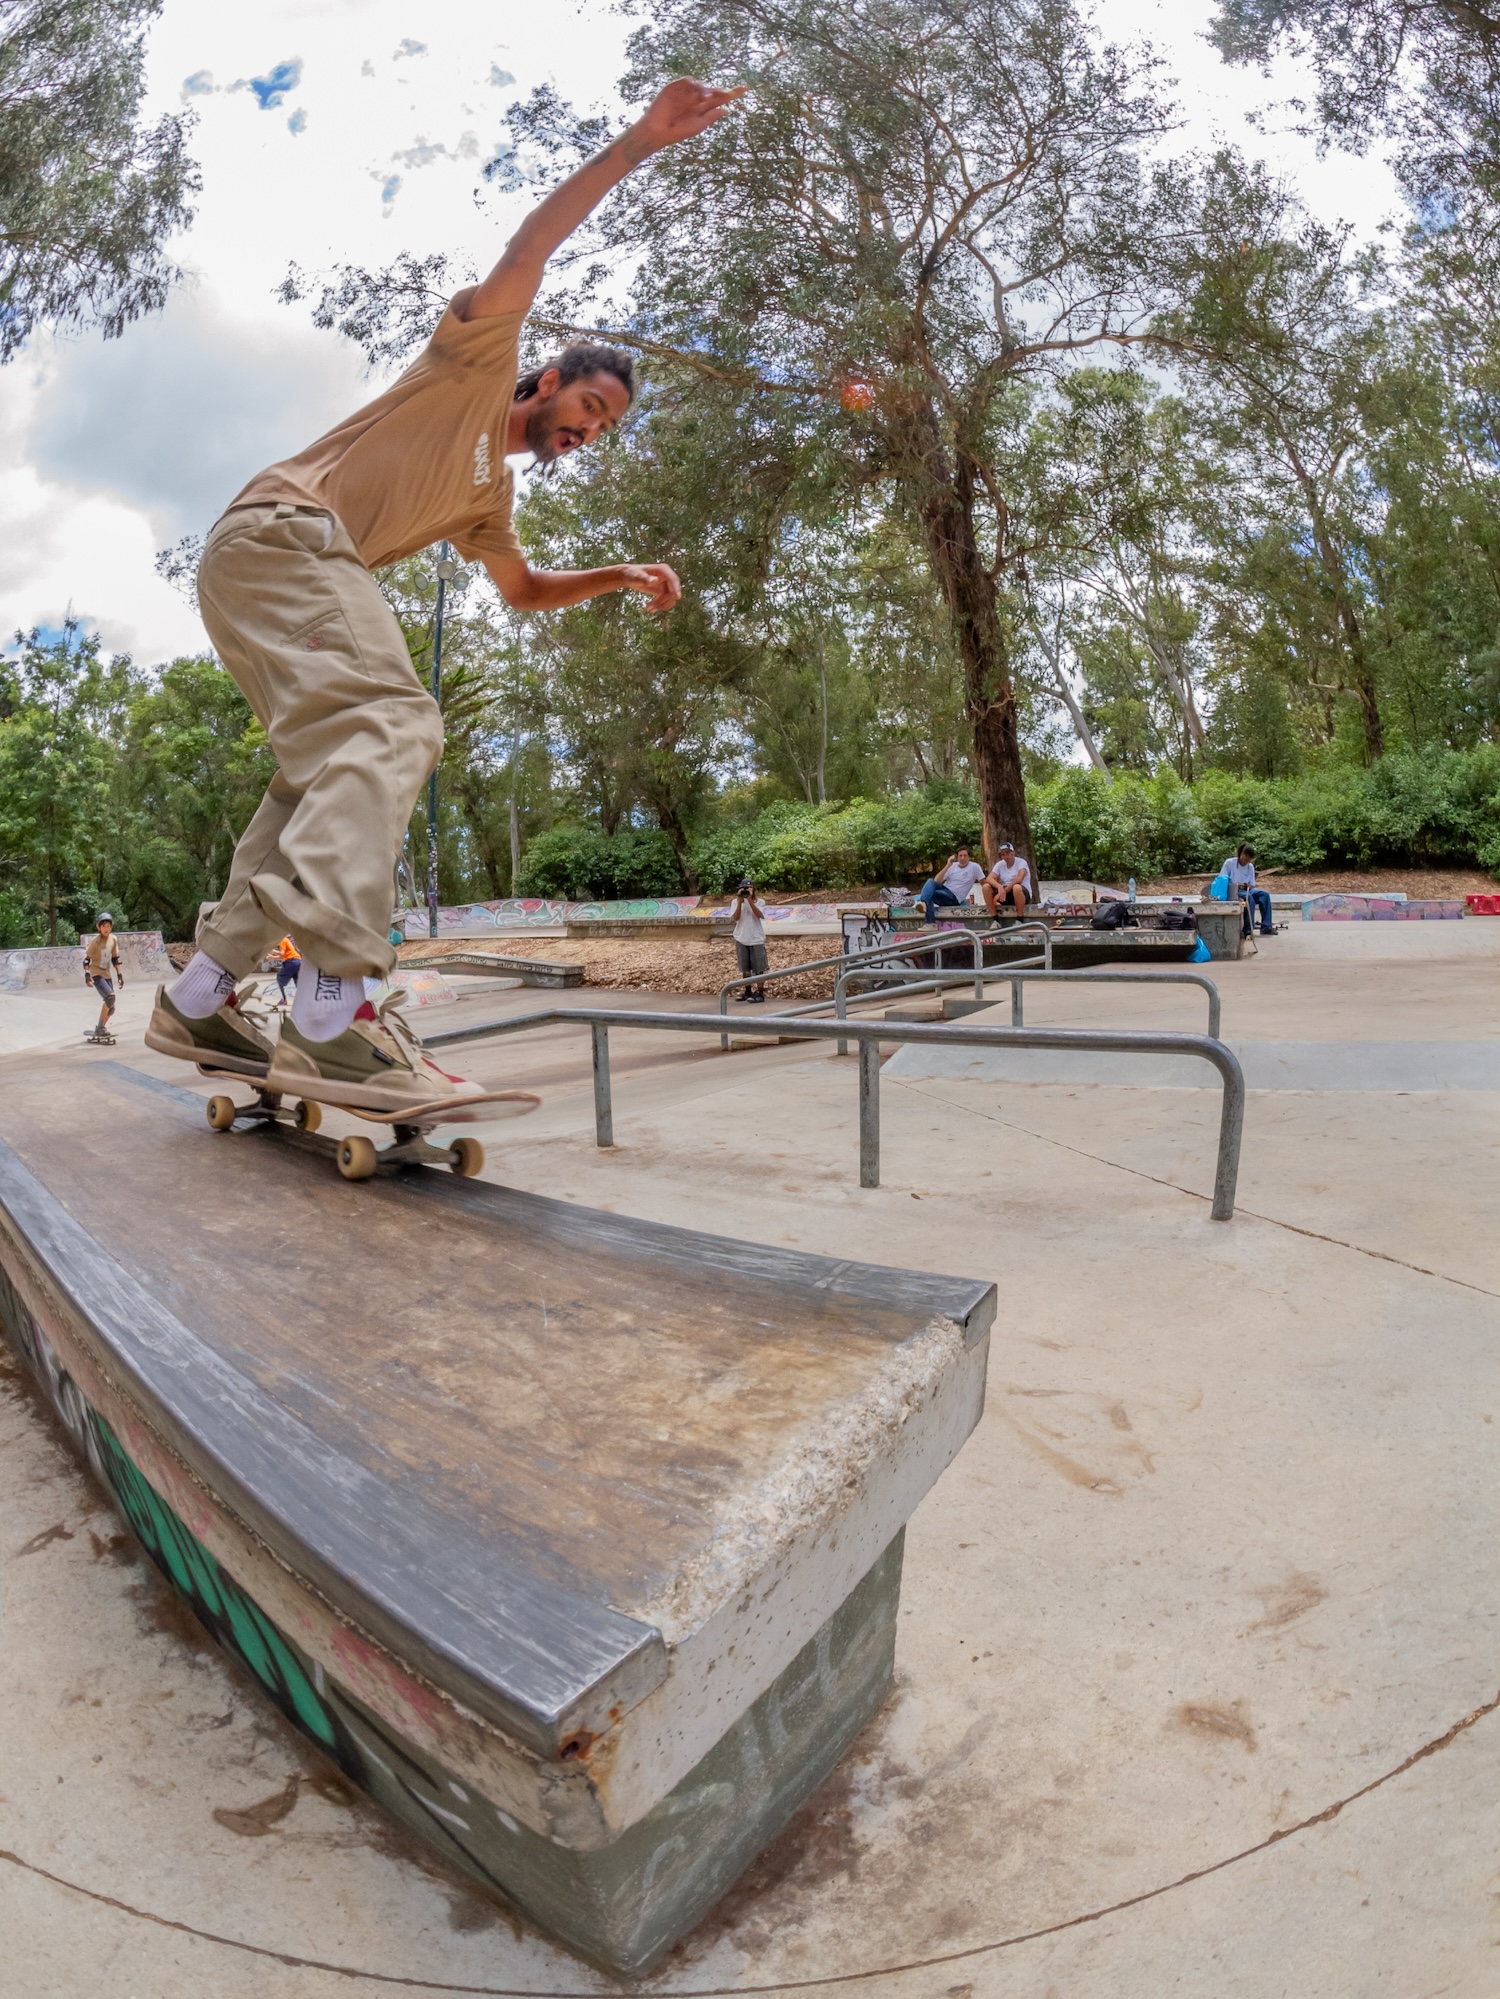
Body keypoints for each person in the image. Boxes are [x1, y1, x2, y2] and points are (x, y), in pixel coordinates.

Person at [145, 77, 744, 1110]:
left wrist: (619, 574)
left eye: (601, 431)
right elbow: (530, 250)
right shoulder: (474, 363)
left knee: (317, 778)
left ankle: (204, 988)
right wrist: (639, 143)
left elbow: (520, 589)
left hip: (260, 568)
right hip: (287, 532)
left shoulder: (488, 500)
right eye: (587, 406)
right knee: (391, 720)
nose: (586, 431)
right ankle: (331, 1005)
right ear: (548, 376)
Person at [83, 914, 124, 1042]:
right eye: (103, 926)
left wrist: (119, 975)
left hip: (107, 974)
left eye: (108, 926)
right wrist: (87, 976)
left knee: (111, 1007)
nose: (106, 929)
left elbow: (115, 959)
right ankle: (100, 1027)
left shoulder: (113, 939)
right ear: (98, 927)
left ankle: (100, 1028)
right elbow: (86, 960)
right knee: (110, 997)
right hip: (96, 974)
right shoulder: (95, 942)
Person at [917, 846, 985, 923]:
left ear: (969, 857)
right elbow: (937, 881)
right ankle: (923, 902)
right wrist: (948, 865)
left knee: (931, 895)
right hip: (944, 890)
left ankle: (930, 922)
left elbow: (984, 884)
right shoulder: (952, 866)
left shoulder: (974, 867)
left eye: (965, 856)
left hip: (954, 897)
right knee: (930, 881)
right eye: (960, 856)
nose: (962, 858)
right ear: (957, 857)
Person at [1222, 844, 1274, 937]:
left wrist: (1246, 885)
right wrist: (1237, 884)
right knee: (1249, 898)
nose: (1246, 862)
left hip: (1247, 890)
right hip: (1234, 890)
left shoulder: (1250, 867)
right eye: (1245, 859)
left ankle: (1266, 927)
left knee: (1264, 895)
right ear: (1242, 854)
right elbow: (1223, 879)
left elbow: (1252, 884)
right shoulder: (1229, 863)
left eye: (1248, 861)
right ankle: (1248, 929)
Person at [731, 880, 769, 1003]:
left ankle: (760, 992)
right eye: (744, 888)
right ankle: (747, 991)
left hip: (756, 938)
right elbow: (735, 918)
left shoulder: (760, 902)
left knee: (759, 968)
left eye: (749, 887)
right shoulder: (735, 902)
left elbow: (759, 915)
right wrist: (740, 902)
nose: (747, 890)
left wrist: (749, 901)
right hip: (741, 938)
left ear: (753, 889)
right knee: (745, 968)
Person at [982, 841, 1033, 920]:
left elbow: (1019, 879)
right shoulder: (1000, 864)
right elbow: (989, 878)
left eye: (1007, 853)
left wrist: (1003, 891)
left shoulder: (1021, 862)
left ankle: (1020, 918)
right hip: (1005, 894)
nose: (1006, 856)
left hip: (1021, 893)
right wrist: (999, 887)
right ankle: (995, 919)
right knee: (986, 887)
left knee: (1016, 887)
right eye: (1003, 854)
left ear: (1013, 852)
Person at [273, 934, 302, 1007]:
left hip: (291, 962)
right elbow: (283, 956)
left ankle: (284, 1000)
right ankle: (303, 1001)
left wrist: (271, 950)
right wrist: (272, 958)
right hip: (298, 962)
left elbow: (282, 954)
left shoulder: (282, 940)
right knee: (297, 982)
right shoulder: (286, 941)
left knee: (279, 978)